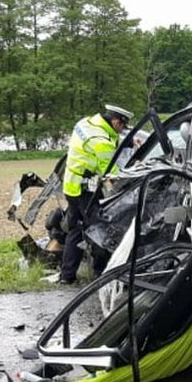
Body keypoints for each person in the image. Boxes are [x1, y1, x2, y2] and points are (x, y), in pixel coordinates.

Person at [59, 104, 133, 284]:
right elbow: (112, 173)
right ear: (115, 121)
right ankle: (101, 273)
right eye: (122, 126)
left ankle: (67, 276)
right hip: (85, 191)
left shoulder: (87, 123)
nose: (122, 130)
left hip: (72, 187)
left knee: (76, 229)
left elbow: (104, 145)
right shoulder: (101, 141)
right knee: (99, 230)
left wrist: (127, 142)